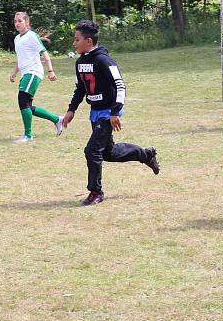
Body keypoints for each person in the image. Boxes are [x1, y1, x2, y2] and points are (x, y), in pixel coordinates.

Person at [61, 20, 159, 206]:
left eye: (77, 40)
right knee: (108, 152)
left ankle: (95, 192)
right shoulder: (80, 62)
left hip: (108, 112)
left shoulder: (104, 60)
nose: (74, 43)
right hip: (95, 111)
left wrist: (115, 112)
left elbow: (120, 85)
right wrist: (71, 109)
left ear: (88, 41)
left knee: (91, 150)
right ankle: (146, 155)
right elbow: (80, 88)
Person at [9, 12, 64, 143]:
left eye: (20, 21)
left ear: (27, 22)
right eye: (15, 21)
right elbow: (20, 58)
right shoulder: (17, 39)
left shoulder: (31, 36)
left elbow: (44, 52)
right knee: (28, 106)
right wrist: (14, 72)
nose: (17, 23)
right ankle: (57, 119)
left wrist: (50, 70)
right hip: (25, 73)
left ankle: (28, 136)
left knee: (22, 100)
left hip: (33, 72)